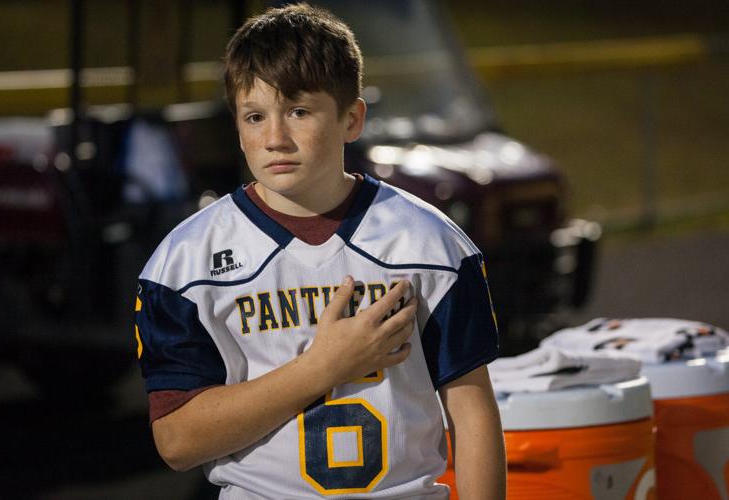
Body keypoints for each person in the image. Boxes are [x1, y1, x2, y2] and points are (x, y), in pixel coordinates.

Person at [134, 3, 506, 498]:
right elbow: (177, 442)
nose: (275, 139)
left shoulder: (429, 243)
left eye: (299, 112)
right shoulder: (184, 263)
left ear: (352, 119)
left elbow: (472, 410)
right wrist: (322, 368)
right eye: (255, 116)